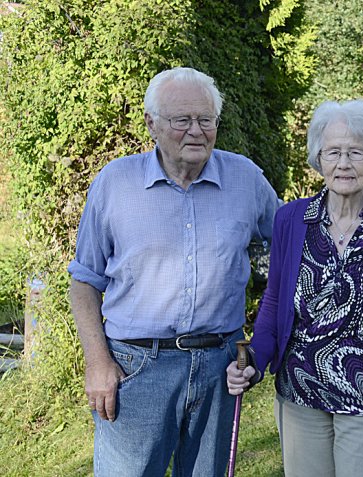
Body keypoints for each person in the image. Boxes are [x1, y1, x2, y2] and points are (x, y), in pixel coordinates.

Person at [67, 67, 280, 477]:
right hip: (136, 368)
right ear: (152, 124)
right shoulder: (115, 183)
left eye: (206, 120)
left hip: (221, 366)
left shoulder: (246, 179)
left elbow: (292, 250)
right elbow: (84, 280)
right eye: (182, 120)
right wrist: (97, 362)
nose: (196, 131)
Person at [226, 99, 363, 477]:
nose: (343, 164)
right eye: (333, 152)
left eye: (356, 152)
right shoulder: (291, 220)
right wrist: (254, 360)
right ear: (318, 159)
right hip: (300, 397)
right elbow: (274, 303)